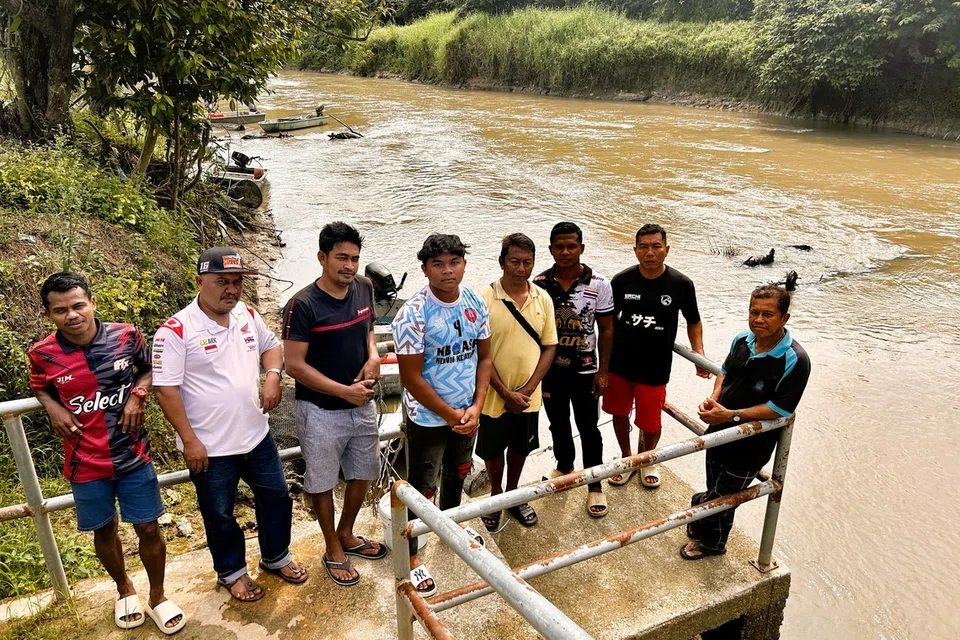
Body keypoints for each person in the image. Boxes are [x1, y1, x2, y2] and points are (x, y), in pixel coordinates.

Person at [28, 273, 185, 634]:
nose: (72, 315)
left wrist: (137, 395)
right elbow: (40, 386)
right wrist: (52, 407)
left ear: (92, 302)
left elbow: (149, 370)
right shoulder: (42, 353)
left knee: (147, 526)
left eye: (78, 305)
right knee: (104, 529)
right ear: (49, 314)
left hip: (133, 454)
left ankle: (158, 596)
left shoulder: (126, 335)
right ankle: (124, 588)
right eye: (60, 310)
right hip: (84, 460)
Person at [153, 248, 307, 603]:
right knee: (220, 514)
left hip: (257, 436)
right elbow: (165, 390)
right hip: (210, 448)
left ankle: (275, 556)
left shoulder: (247, 314)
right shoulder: (176, 330)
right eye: (222, 281)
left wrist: (272, 375)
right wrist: (189, 440)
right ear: (199, 282)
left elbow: (273, 348)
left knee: (277, 498)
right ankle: (231, 572)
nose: (231, 290)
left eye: (237, 282)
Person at [282, 222, 387, 588]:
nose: (350, 266)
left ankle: (347, 532)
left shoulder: (362, 288)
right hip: (320, 410)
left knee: (364, 471)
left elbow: (369, 330)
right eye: (342, 257)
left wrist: (373, 356)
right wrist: (342, 392)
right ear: (322, 258)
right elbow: (293, 364)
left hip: (361, 402)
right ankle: (331, 547)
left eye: (355, 258)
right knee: (322, 480)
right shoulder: (303, 305)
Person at [393, 234, 492, 597]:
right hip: (429, 418)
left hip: (467, 412)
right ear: (425, 269)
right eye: (438, 264)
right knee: (423, 484)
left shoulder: (475, 303)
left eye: (454, 262)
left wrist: (477, 406)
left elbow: (484, 358)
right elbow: (411, 377)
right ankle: (414, 554)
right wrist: (450, 414)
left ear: (464, 264)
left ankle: (453, 524)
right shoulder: (413, 313)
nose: (447, 271)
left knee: (459, 472)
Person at [684, 285, 811, 559]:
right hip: (718, 430)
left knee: (722, 498)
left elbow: (780, 408)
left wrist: (730, 415)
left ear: (784, 318)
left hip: (751, 444)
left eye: (768, 314)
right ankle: (710, 537)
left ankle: (702, 525)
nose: (759, 320)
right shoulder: (743, 339)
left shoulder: (795, 360)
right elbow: (725, 372)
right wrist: (715, 398)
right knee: (717, 491)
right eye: (754, 312)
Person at [605, 224, 711, 489]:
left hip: (655, 366)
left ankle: (647, 459)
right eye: (643, 246)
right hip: (620, 363)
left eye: (656, 246)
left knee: (650, 421)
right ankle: (627, 458)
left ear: (667, 249)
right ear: (635, 250)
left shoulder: (681, 284)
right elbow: (608, 320)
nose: (649, 252)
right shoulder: (621, 281)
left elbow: (693, 321)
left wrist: (699, 354)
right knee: (619, 413)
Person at [533, 222, 614, 518]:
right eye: (559, 247)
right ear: (551, 249)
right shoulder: (539, 283)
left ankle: (594, 484)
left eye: (572, 246)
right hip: (550, 370)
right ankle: (565, 468)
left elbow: (606, 330)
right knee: (557, 423)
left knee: (588, 426)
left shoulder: (600, 284)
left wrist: (603, 371)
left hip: (586, 370)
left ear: (582, 247)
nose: (566, 252)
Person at [478, 233, 558, 531]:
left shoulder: (543, 298)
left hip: (528, 396)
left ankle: (512, 493)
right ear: (502, 262)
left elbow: (550, 346)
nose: (520, 268)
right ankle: (495, 495)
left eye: (527, 262)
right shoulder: (484, 298)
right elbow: (479, 351)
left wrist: (527, 389)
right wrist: (504, 391)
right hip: (493, 394)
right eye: (514, 261)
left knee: (521, 447)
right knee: (492, 449)